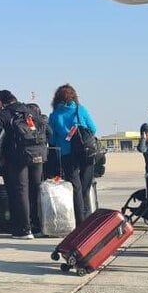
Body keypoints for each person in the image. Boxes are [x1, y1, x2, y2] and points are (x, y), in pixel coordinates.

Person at [0, 90, 44, 239]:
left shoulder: (3, 115)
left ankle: (23, 230)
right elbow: (48, 131)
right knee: (35, 190)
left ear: (1, 101)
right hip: (37, 156)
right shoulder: (30, 111)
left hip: (16, 158)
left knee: (20, 192)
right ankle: (37, 226)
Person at [48, 84, 97, 224]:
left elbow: (51, 138)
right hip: (85, 152)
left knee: (75, 188)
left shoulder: (55, 115)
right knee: (86, 187)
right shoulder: (80, 110)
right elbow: (93, 128)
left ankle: (79, 221)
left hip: (67, 154)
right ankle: (89, 219)